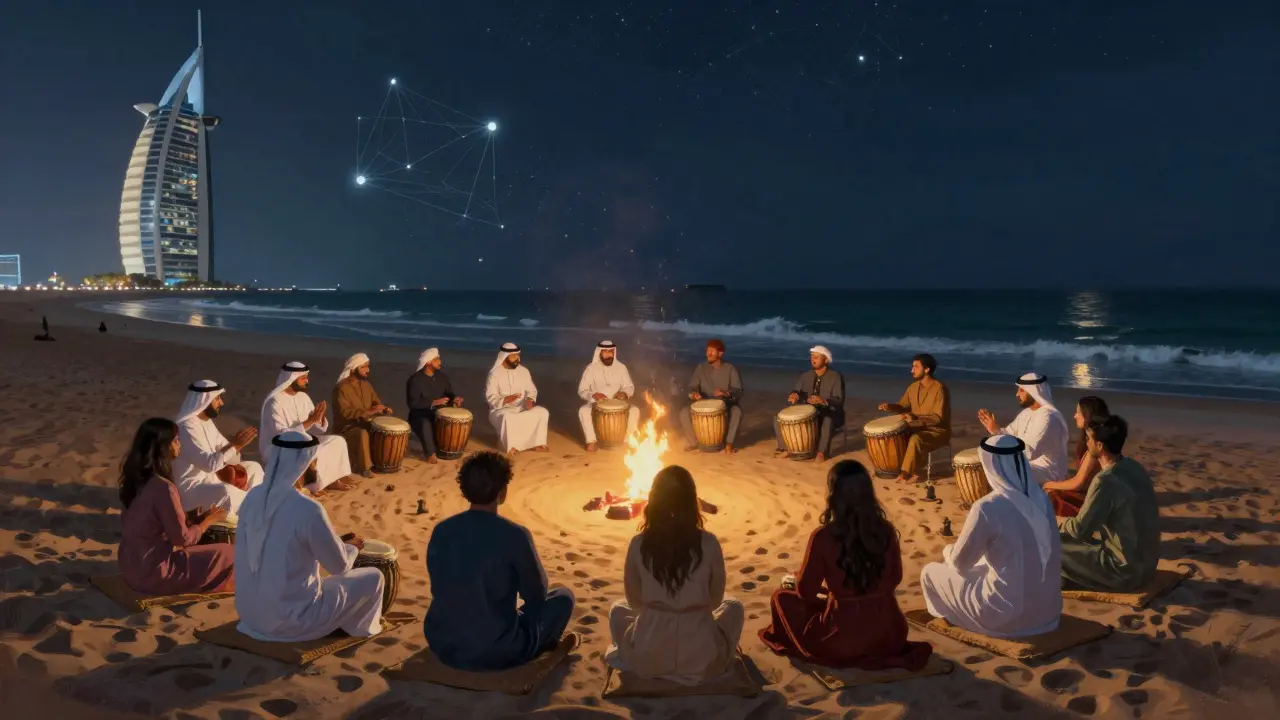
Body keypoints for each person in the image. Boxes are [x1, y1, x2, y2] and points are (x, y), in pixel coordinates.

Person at [760, 460, 932, 669]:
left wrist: (800, 580)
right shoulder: (885, 530)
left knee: (781, 597)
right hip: (891, 636)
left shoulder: (823, 537)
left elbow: (805, 593)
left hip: (844, 641)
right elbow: (895, 578)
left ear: (834, 495)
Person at [425, 451, 575, 670]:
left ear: (464, 490)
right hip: (495, 649)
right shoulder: (515, 535)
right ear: (502, 493)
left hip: (442, 643)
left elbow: (439, 582)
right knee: (563, 597)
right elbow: (536, 594)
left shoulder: (442, 530)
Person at [235, 431, 385, 642]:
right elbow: (339, 566)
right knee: (374, 577)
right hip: (293, 621)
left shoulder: (252, 497)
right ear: (304, 463)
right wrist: (352, 548)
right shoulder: (308, 508)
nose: (315, 465)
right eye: (313, 460)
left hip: (250, 618)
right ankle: (359, 630)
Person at [606, 466, 744, 685]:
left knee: (618, 609)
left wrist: (660, 609)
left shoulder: (639, 544)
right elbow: (716, 601)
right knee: (734, 606)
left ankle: (651, 657)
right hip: (700, 658)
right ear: (691, 502)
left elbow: (634, 603)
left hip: (650, 657)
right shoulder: (709, 542)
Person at [920, 434, 1062, 638]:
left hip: (1005, 619)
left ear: (990, 466)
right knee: (985, 567)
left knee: (930, 572)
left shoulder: (987, 507)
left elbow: (960, 564)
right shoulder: (1043, 499)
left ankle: (954, 618)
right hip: (1048, 615)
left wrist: (947, 551)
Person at [118, 417, 235, 596]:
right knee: (228, 553)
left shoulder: (136, 480)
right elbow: (182, 539)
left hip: (131, 569)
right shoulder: (164, 487)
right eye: (175, 441)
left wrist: (193, 518)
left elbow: (149, 524)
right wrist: (208, 521)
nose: (179, 444)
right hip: (155, 574)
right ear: (162, 447)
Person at [1060, 415, 1160, 592]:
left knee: (1049, 545)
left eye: (1089, 438)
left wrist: (1055, 520)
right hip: (1147, 567)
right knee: (1069, 542)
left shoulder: (1105, 480)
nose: (1086, 442)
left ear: (1099, 445)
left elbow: (1079, 531)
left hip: (1123, 572)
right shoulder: (1134, 466)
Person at [260, 361, 354, 493]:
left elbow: (315, 429)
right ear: (291, 379)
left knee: (337, 441)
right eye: (303, 378)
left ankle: (332, 480)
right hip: (278, 448)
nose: (307, 381)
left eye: (306, 377)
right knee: (314, 450)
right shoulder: (274, 402)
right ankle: (313, 486)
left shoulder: (303, 397)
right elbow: (282, 436)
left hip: (303, 440)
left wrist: (319, 419)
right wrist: (310, 421)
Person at [174, 380, 264, 514]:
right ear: (204, 400)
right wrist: (234, 446)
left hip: (213, 480)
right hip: (193, 490)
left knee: (254, 467)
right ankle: (258, 508)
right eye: (217, 399)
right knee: (227, 492)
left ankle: (254, 506)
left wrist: (236, 446)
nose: (221, 403)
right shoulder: (187, 428)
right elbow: (209, 465)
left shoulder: (206, 422)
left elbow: (232, 458)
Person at [977, 372, 1070, 487]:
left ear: (1033, 392)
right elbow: (1008, 434)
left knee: (1002, 468)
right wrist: (995, 429)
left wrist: (1001, 448)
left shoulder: (1048, 417)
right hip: (1028, 465)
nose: (1017, 394)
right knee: (986, 457)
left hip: (1048, 471)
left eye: (1021, 390)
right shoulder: (1026, 413)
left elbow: (1030, 453)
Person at [877, 354, 951, 483]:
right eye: (912, 367)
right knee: (896, 434)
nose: (912, 370)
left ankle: (905, 473)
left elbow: (938, 418)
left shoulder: (939, 389)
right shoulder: (913, 387)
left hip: (937, 431)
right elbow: (903, 406)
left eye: (916, 367)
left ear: (927, 369)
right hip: (916, 427)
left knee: (916, 439)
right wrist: (890, 407)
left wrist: (915, 417)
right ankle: (892, 468)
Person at [774, 345, 845, 462]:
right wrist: (794, 395)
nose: (813, 360)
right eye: (812, 357)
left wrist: (823, 401)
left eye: (816, 357)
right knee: (778, 418)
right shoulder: (805, 375)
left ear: (825, 360)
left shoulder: (835, 376)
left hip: (831, 412)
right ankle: (786, 448)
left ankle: (822, 453)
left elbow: (839, 399)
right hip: (809, 412)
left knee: (827, 420)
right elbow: (797, 391)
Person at [1042, 396, 1111, 517]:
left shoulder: (1096, 446)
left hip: (1092, 500)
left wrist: (1049, 484)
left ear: (1087, 416)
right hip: (1087, 494)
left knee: (1049, 495)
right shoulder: (1091, 441)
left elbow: (1078, 483)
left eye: (1078, 412)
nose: (1075, 416)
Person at [331, 353, 393, 478]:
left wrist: (384, 409)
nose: (368, 370)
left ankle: (384, 462)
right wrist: (367, 412)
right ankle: (365, 468)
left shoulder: (366, 385)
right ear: (353, 369)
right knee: (362, 432)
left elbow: (376, 403)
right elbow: (344, 412)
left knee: (385, 429)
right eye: (364, 367)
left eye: (368, 366)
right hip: (346, 427)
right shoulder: (341, 388)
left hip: (366, 422)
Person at [678, 339, 744, 454]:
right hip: (703, 403)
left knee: (737, 411)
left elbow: (738, 391)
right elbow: (692, 387)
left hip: (725, 405)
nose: (708, 354)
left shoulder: (730, 369)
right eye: (707, 351)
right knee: (684, 412)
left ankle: (728, 444)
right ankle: (694, 443)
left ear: (720, 353)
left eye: (712, 351)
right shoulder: (701, 368)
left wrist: (726, 393)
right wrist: (693, 394)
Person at [484, 343, 550, 454]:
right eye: (514, 356)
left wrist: (529, 400)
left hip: (521, 408)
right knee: (507, 417)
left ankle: (537, 443)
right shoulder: (494, 374)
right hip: (501, 410)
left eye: (518, 355)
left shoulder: (524, 371)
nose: (517, 358)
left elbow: (532, 390)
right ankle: (510, 447)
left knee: (543, 412)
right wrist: (506, 400)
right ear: (505, 356)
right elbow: (490, 397)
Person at [577, 340, 640, 451]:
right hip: (597, 404)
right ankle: (591, 441)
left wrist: (625, 393)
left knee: (635, 410)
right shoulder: (591, 369)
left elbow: (629, 386)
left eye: (611, 351)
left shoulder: (621, 368)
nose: (608, 355)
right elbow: (582, 390)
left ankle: (627, 441)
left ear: (614, 352)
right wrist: (593, 395)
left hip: (618, 403)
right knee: (583, 410)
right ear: (599, 352)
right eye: (605, 352)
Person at [405, 348, 464, 463]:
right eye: (436, 359)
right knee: (425, 423)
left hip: (438, 413)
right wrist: (433, 402)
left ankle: (449, 449)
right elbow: (413, 403)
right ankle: (430, 454)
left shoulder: (443, 377)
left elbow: (449, 393)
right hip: (420, 414)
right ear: (428, 363)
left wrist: (455, 399)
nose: (440, 362)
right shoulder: (414, 380)